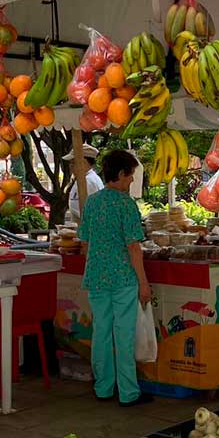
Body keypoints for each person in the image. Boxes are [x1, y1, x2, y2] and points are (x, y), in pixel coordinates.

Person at [78, 149, 153, 406]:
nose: (132, 181)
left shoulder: (92, 202)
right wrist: (143, 282)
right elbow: (134, 247)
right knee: (123, 334)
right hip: (122, 279)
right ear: (121, 174)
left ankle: (103, 388)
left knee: (101, 332)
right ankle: (129, 392)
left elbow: (85, 243)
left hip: (97, 278)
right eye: (130, 175)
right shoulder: (125, 204)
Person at [66, 144, 104, 221]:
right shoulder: (85, 179)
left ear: (83, 162)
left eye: (73, 162)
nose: (70, 166)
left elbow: (91, 215)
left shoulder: (88, 182)